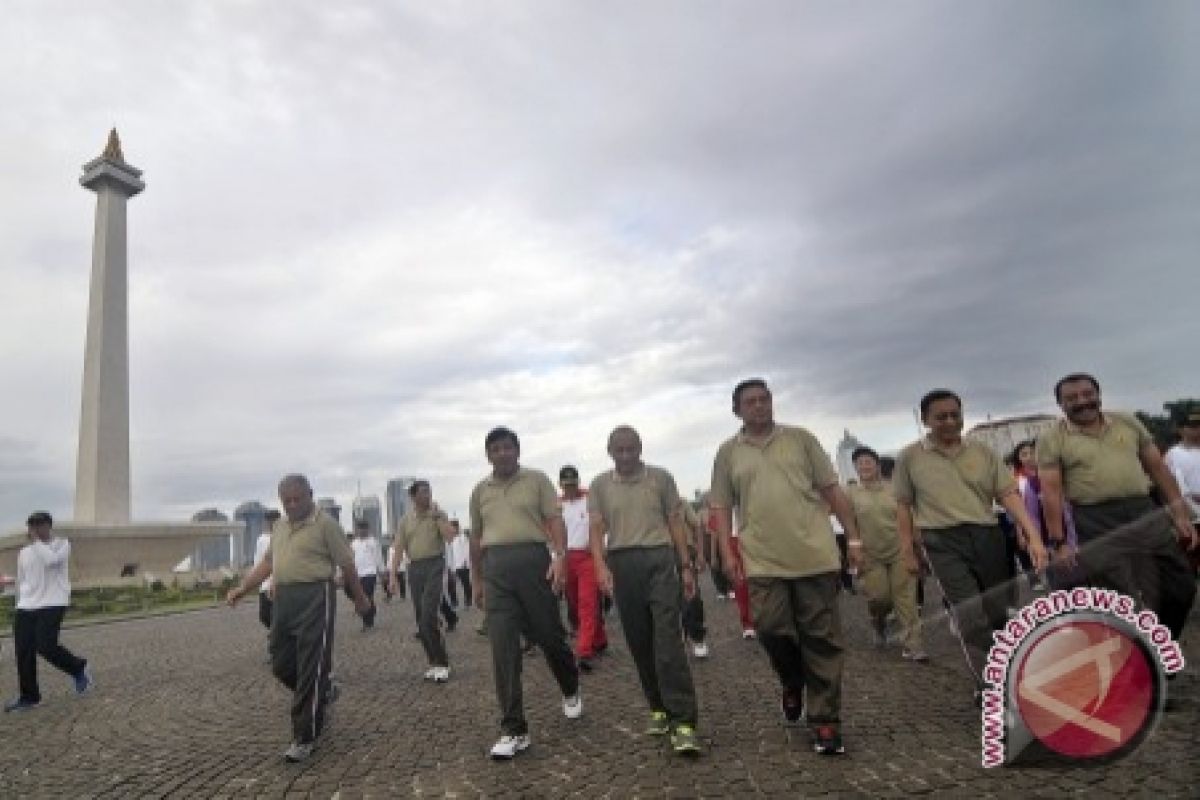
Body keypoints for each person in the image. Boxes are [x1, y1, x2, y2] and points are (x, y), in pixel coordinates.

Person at [710, 378, 863, 756]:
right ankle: (792, 680)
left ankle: (825, 721)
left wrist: (854, 538)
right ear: (737, 410)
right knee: (770, 629)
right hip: (762, 560)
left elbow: (831, 489)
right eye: (751, 402)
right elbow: (720, 507)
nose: (760, 406)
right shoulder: (728, 453)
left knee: (823, 640)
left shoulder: (801, 439)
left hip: (814, 555)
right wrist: (727, 556)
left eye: (765, 400)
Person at [893, 389, 1047, 705]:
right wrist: (908, 550)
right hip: (942, 541)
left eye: (955, 415)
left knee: (998, 613)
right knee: (970, 615)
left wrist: (1033, 535)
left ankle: (997, 671)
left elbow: (1008, 495)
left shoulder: (982, 452)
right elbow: (904, 506)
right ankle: (999, 675)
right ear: (926, 420)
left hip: (988, 536)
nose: (950, 422)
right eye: (941, 417)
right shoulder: (910, 457)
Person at [227, 474, 373, 763]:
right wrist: (243, 588)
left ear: (310, 494)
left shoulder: (326, 525)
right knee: (281, 663)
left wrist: (359, 598)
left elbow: (347, 564)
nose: (293, 505)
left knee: (311, 665)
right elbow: (269, 563)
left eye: (298, 498)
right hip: (284, 600)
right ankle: (323, 690)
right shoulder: (280, 527)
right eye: (287, 501)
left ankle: (304, 736)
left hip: (316, 596)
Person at [1037, 374, 1197, 639]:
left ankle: (1159, 648)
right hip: (1095, 520)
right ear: (1061, 405)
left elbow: (1157, 469)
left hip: (1143, 511)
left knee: (1181, 586)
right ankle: (1140, 663)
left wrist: (1179, 514)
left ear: (1099, 395)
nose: (1082, 401)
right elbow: (1050, 492)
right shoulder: (1052, 438)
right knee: (1121, 602)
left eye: (1088, 394)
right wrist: (1059, 542)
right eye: (1072, 398)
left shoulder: (1127, 421)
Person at [468, 427, 581, 760]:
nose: (502, 453)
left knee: (549, 636)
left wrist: (560, 557)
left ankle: (570, 685)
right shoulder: (480, 491)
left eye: (508, 447)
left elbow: (554, 520)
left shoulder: (537, 480)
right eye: (495, 449)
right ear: (488, 455)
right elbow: (476, 538)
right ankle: (514, 729)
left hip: (535, 563)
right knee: (502, 647)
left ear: (517, 451)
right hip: (496, 571)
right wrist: (476, 580)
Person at [591, 426, 701, 755]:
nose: (626, 456)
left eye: (631, 449)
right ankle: (658, 709)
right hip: (623, 563)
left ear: (640, 448)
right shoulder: (599, 485)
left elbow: (675, 522)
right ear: (610, 451)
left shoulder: (661, 478)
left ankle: (683, 722)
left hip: (659, 558)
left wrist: (685, 565)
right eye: (619, 450)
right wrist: (600, 565)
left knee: (668, 639)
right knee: (639, 641)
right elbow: (597, 528)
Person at [4, 512, 93, 713]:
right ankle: (29, 697)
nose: (35, 529)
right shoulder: (24, 552)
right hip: (27, 605)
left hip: (53, 602)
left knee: (46, 646)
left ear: (49, 526)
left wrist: (37, 543)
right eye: (32, 526)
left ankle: (78, 667)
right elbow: (22, 580)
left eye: (39, 525)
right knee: (23, 651)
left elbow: (51, 561)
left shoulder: (62, 544)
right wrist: (19, 603)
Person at [846, 447, 926, 661]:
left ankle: (913, 644)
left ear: (877, 465)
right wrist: (852, 549)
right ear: (855, 468)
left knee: (906, 599)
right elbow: (847, 523)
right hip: (870, 556)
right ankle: (878, 623)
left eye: (868, 461)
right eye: (860, 463)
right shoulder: (851, 494)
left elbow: (910, 519)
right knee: (880, 598)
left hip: (900, 551)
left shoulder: (895, 490)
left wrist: (916, 546)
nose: (864, 466)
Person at [389, 480, 457, 682]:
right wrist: (392, 576)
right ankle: (433, 662)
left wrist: (438, 518)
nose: (427, 496)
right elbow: (398, 549)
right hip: (414, 568)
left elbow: (450, 537)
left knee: (429, 614)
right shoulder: (405, 521)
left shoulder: (438, 514)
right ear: (413, 497)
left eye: (429, 492)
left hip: (435, 565)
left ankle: (443, 663)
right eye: (423, 493)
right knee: (421, 619)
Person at [1011, 440, 1083, 590]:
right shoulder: (1027, 484)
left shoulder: (1060, 476)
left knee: (1080, 577)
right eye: (1024, 454)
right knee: (1060, 580)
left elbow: (1069, 510)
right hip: (1049, 540)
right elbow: (1031, 515)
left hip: (1073, 536)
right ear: (1018, 459)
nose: (1030, 457)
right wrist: (1032, 539)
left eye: (1033, 452)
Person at [559, 464, 608, 672]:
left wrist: (600, 551)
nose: (570, 488)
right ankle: (599, 638)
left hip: (588, 556)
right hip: (566, 558)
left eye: (573, 484)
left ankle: (584, 651)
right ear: (561, 485)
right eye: (566, 485)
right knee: (575, 604)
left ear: (578, 482)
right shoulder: (555, 506)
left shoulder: (591, 499)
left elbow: (603, 523)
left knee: (587, 602)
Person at [1165, 409, 1200, 571]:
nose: (1198, 429)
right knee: (1190, 565)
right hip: (1191, 521)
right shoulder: (1173, 455)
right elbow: (1175, 490)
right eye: (1192, 426)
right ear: (1180, 429)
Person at [679, 502, 710, 659]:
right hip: (660, 556)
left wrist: (700, 553)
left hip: (687, 552)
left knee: (692, 597)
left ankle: (698, 638)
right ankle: (679, 638)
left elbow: (697, 526)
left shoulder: (681, 502)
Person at [349, 520, 386, 631]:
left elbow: (379, 558)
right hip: (357, 574)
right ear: (357, 530)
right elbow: (350, 558)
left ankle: (368, 623)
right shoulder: (353, 544)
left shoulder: (373, 542)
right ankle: (372, 609)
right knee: (360, 596)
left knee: (367, 596)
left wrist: (382, 572)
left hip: (370, 573)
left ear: (367, 529)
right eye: (359, 529)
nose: (361, 531)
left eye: (364, 529)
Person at [255, 509, 281, 632]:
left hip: (280, 584)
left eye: (274, 520)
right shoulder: (261, 539)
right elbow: (259, 562)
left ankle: (279, 637)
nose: (271, 523)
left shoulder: (283, 537)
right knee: (265, 616)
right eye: (269, 521)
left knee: (279, 614)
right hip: (265, 585)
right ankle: (278, 634)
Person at [450, 522, 473, 607]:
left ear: (456, 527)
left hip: (463, 565)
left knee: (465, 583)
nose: (451, 529)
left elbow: (467, 550)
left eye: (452, 527)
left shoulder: (463, 538)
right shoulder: (451, 539)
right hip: (454, 566)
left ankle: (468, 599)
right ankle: (454, 601)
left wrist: (466, 562)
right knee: (451, 584)